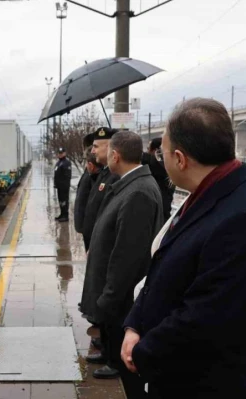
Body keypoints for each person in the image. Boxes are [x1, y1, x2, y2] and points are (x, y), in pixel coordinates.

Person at [121, 98, 246, 399]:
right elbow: (162, 269)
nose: (162, 158)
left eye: (163, 152)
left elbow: (206, 318)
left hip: (210, 386)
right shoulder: (208, 193)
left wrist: (144, 352)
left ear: (180, 159)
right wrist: (135, 323)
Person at [81, 131, 163, 397]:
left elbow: (127, 256)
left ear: (115, 156)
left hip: (121, 299)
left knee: (129, 377)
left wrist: (107, 300)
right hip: (116, 295)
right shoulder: (129, 183)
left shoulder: (138, 191)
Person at [79, 127, 120, 361]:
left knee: (108, 295)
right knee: (99, 293)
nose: (92, 150)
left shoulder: (115, 177)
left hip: (107, 250)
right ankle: (105, 343)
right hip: (97, 245)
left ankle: (111, 351)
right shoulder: (104, 174)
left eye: (97, 146)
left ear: (111, 148)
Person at [142, 137, 175, 220]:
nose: (147, 151)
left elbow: (149, 159)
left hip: (159, 216)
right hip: (164, 213)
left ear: (156, 151)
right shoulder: (169, 167)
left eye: (148, 148)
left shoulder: (159, 167)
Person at [74, 152, 102, 251]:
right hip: (88, 227)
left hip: (91, 228)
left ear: (91, 165)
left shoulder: (96, 178)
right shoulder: (91, 175)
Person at [53, 147, 72, 222]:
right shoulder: (58, 162)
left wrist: (64, 185)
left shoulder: (66, 163)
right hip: (59, 187)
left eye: (61, 153)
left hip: (64, 186)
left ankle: (65, 215)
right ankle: (62, 214)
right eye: (59, 153)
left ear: (65, 153)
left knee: (64, 201)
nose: (60, 154)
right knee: (60, 201)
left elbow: (67, 176)